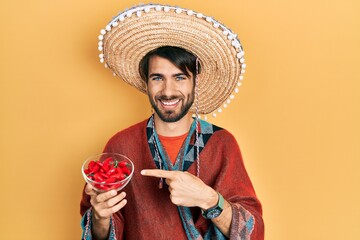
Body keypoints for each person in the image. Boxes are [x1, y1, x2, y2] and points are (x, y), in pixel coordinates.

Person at [80, 4, 264, 240]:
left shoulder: (222, 143)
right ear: (146, 82)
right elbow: (97, 232)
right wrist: (100, 217)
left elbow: (254, 232)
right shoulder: (121, 144)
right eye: (158, 78)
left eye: (179, 77)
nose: (168, 91)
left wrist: (209, 199)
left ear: (195, 82)